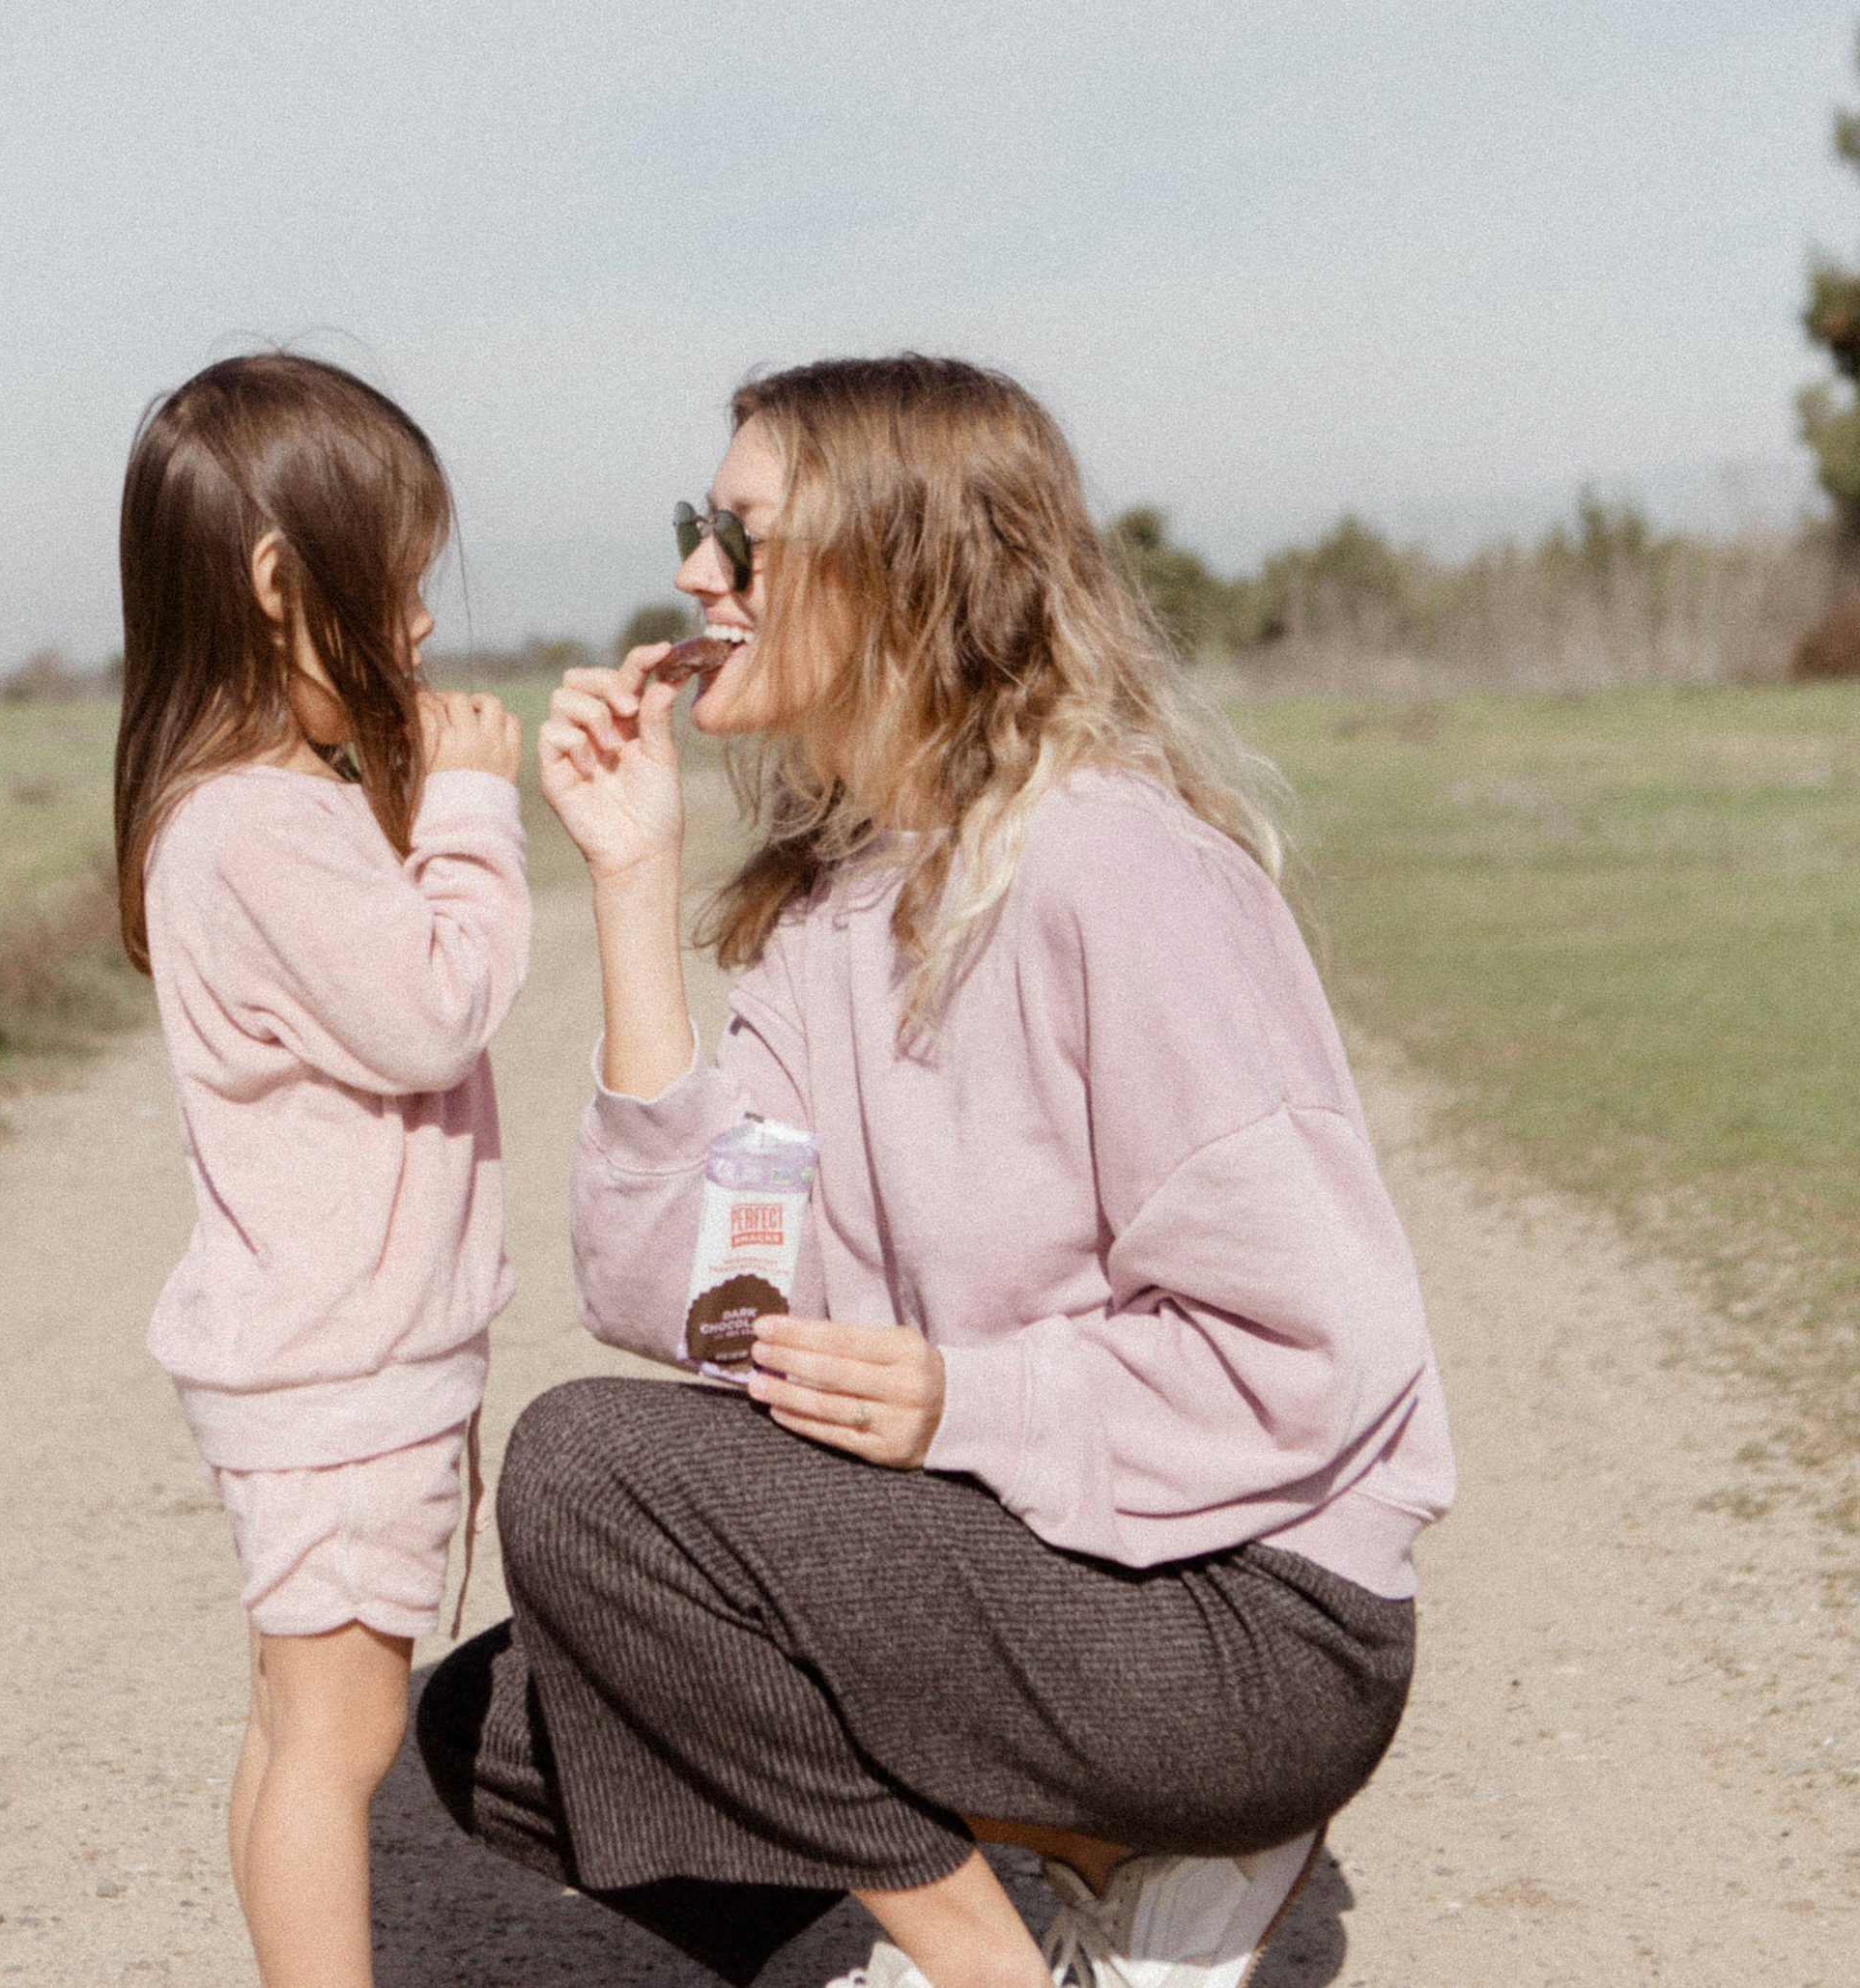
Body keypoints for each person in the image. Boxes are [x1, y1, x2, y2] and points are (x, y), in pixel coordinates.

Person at [417, 355, 1454, 1988]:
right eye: (698, 525)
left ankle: (998, 1957)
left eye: (741, 535)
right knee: (504, 1729)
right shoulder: (826, 911)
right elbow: (710, 1303)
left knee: (586, 1471)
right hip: (1046, 1563)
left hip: (1250, 1619)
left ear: (902, 567)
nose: (695, 573)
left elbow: (1320, 1350)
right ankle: (1097, 1858)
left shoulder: (1118, 869)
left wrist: (966, 1401)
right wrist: (631, 878)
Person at [113, 353, 529, 1988]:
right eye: (398, 586)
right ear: (284, 584)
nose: (418, 626)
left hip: (322, 1365)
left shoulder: (242, 812)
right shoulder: (260, 826)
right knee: (339, 1740)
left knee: (296, 1724)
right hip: (344, 1371)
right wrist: (476, 813)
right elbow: (436, 1005)